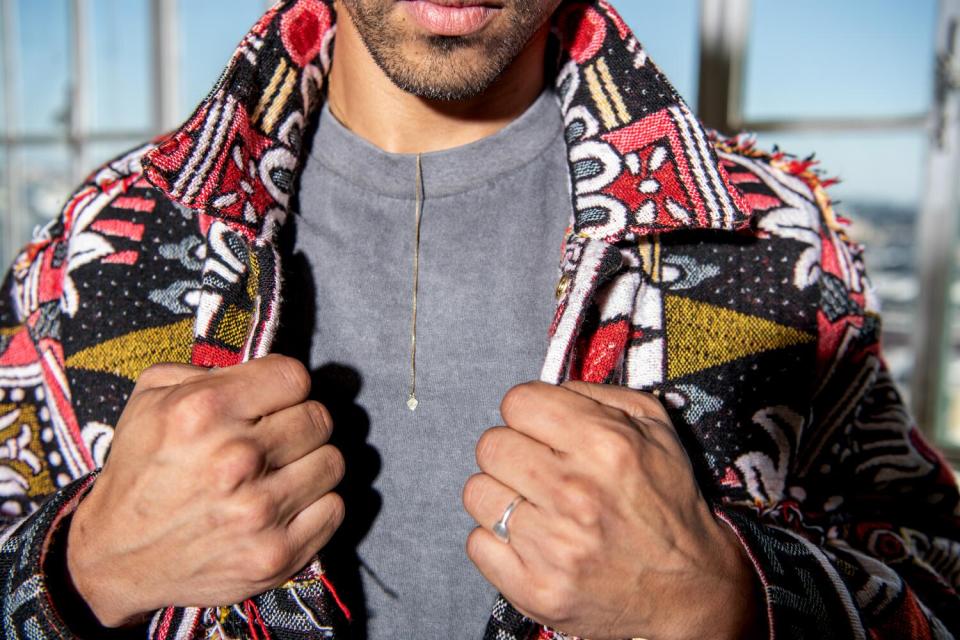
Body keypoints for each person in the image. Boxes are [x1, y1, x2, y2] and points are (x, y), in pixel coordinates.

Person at [0, 0, 957, 638]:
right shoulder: (106, 241)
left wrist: (734, 599)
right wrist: (81, 568)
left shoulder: (772, 242)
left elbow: (937, 577)